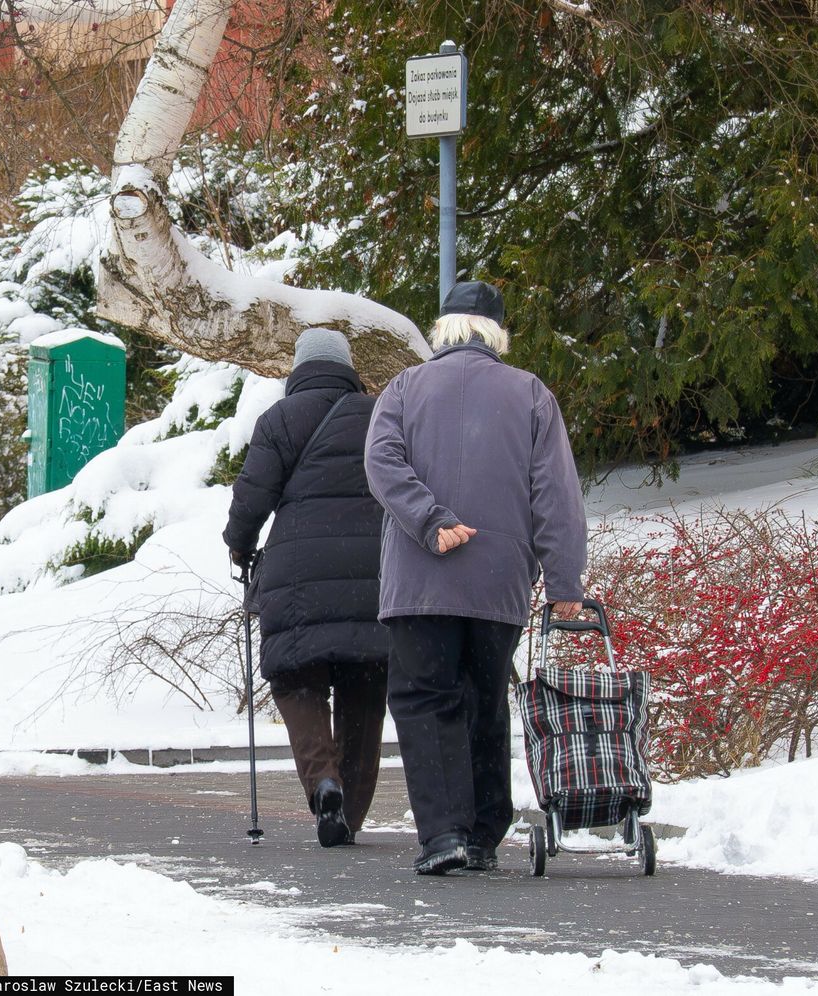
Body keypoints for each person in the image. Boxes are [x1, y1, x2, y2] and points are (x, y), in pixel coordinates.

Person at [365, 280, 588, 875]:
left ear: (442, 330)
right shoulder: (532, 395)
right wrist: (566, 583)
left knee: (425, 698)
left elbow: (381, 464)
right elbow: (556, 496)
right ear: (496, 333)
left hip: (419, 580)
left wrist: (430, 519)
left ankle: (444, 836)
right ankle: (486, 831)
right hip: (499, 579)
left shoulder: (404, 389)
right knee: (484, 699)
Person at [223, 328, 388, 848]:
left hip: (297, 572)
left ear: (298, 368)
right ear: (347, 367)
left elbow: (251, 500)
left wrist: (239, 545)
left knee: (297, 679)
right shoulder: (378, 413)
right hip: (373, 570)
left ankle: (324, 782)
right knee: (366, 686)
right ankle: (351, 813)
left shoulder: (278, 420)